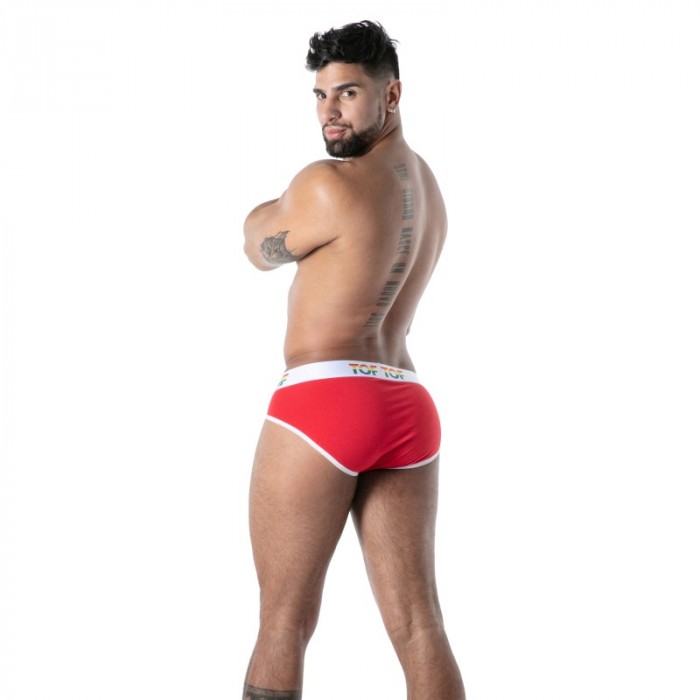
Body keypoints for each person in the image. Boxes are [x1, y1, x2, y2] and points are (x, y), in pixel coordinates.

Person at [242, 20, 466, 700]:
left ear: (390, 94)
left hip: (325, 400)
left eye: (347, 93)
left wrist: (272, 213)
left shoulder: (326, 184)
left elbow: (256, 246)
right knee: (420, 625)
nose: (329, 112)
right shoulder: (428, 189)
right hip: (406, 402)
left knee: (283, 622)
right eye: (320, 95)